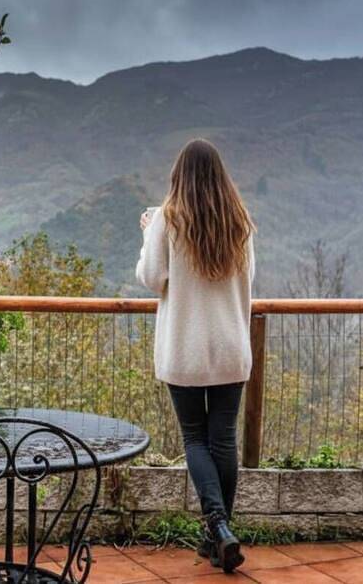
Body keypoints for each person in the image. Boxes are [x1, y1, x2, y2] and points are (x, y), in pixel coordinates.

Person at [136, 138, 255, 573]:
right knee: (222, 438)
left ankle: (218, 526)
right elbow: (247, 287)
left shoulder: (167, 220)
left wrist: (149, 230)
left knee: (194, 438)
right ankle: (217, 534)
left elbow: (152, 277)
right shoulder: (240, 222)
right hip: (230, 345)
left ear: (178, 176)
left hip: (185, 348)